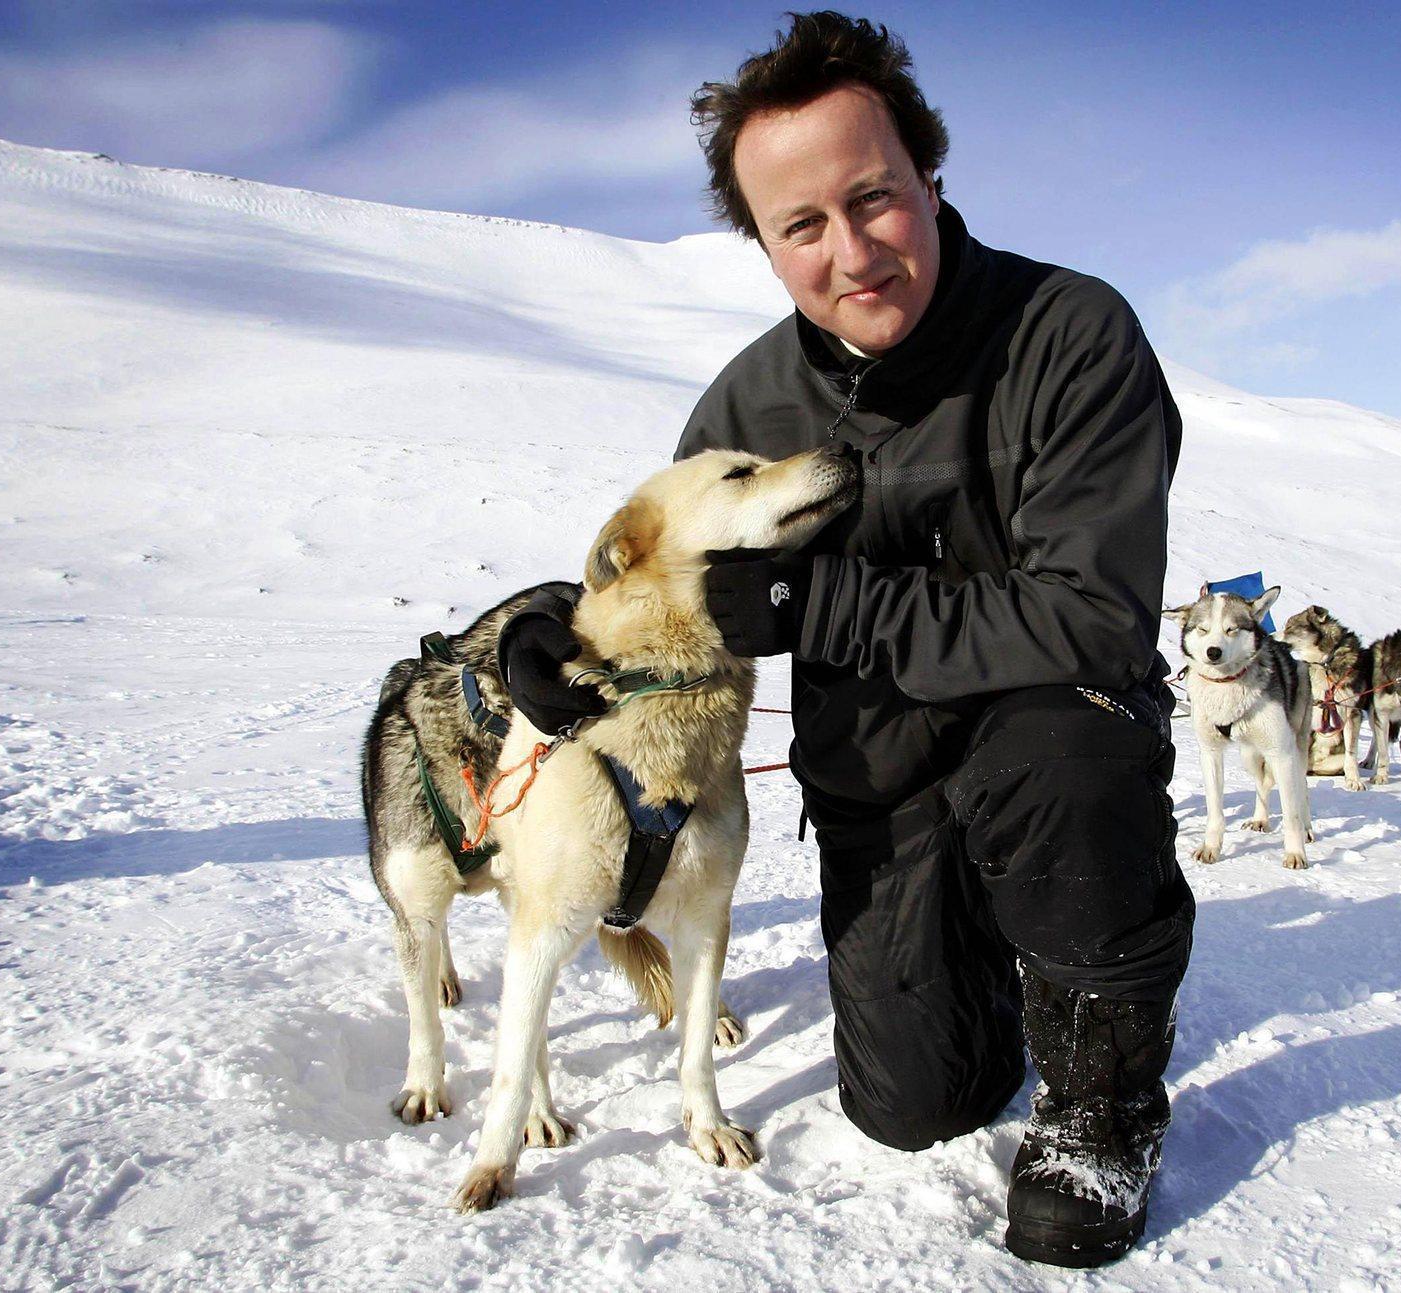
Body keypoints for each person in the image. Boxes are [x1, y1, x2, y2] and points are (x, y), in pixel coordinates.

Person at [498, 11, 1195, 1269]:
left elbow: (1094, 613)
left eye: (872, 198)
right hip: (880, 767)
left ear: (929, 178)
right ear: (765, 245)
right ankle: (989, 944)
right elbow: (657, 558)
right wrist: (545, 630)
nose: (851, 251)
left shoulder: (1068, 334)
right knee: (912, 1104)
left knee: (1057, 759)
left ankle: (1105, 1097)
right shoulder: (750, 403)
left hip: (1056, 734)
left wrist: (819, 608)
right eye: (801, 226)